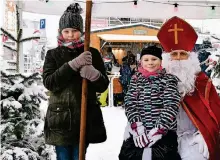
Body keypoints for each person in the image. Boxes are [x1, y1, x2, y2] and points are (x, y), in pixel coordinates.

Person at [158, 16, 220, 160]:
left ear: (190, 58)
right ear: (167, 58)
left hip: (192, 138)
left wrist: (206, 135)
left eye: (183, 54)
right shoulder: (157, 81)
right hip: (163, 137)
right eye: (174, 54)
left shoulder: (202, 83)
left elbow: (219, 115)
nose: (178, 58)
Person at [42, 3, 109, 160]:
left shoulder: (91, 53)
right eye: (66, 31)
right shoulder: (53, 55)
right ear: (60, 32)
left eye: (74, 31)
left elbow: (103, 85)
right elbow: (50, 82)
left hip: (84, 116)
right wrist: (73, 65)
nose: (70, 34)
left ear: (81, 31)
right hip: (61, 118)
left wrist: (94, 75)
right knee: (64, 157)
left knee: (79, 156)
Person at [119, 46, 182, 160]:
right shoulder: (136, 79)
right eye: (146, 60)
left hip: (164, 133)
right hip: (139, 133)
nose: (150, 63)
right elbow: (130, 103)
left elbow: (171, 105)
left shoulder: (168, 79)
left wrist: (159, 129)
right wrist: (137, 127)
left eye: (154, 59)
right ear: (141, 62)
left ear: (161, 61)